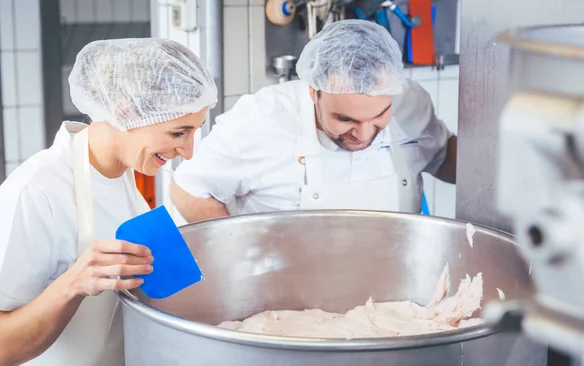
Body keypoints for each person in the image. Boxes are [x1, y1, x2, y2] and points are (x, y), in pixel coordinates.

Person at [0, 38, 217, 366]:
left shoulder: (126, 181)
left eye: (194, 131)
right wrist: (74, 283)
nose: (187, 152)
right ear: (125, 112)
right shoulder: (36, 191)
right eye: (179, 132)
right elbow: (0, 349)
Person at [170, 20, 457, 222]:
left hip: (395, 286)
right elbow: (189, 190)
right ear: (313, 92)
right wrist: (242, 250)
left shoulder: (412, 102)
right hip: (289, 294)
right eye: (345, 119)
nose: (364, 134)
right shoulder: (260, 120)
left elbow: (443, 158)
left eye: (380, 115)